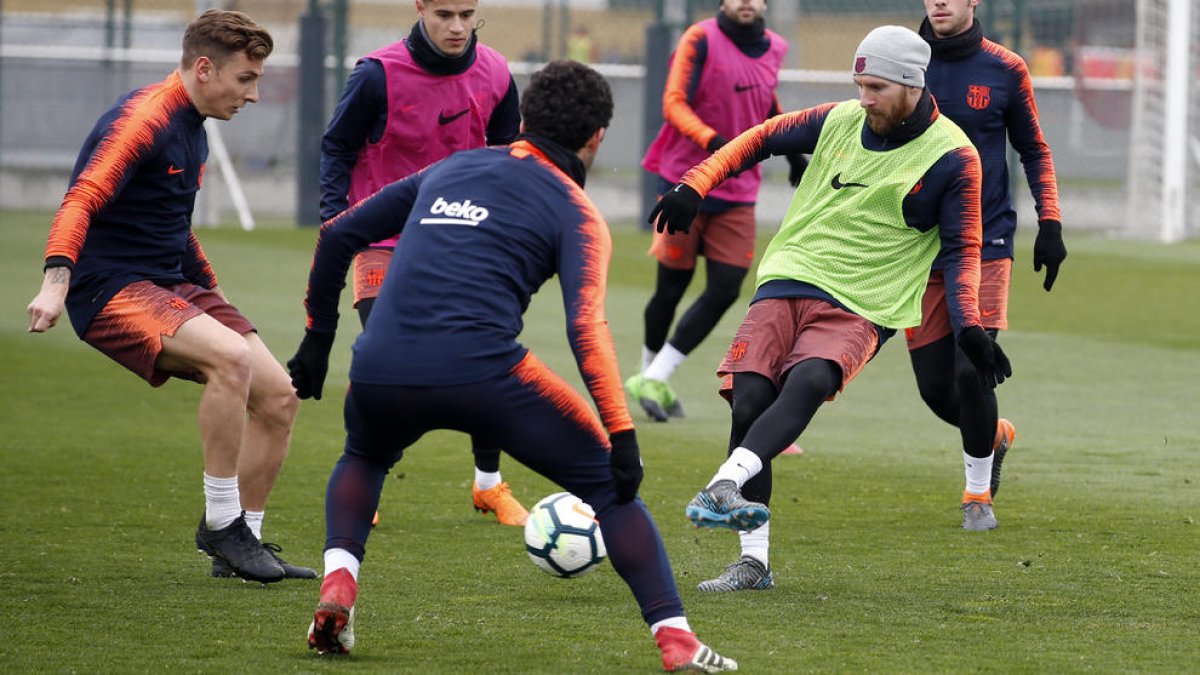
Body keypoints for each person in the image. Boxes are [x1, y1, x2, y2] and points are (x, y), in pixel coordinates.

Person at [289, 60, 737, 672]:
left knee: (364, 456)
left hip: (379, 365)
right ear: (596, 137)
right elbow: (586, 327)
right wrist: (622, 433)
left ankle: (339, 583)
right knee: (611, 491)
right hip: (484, 374)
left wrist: (318, 338)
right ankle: (677, 640)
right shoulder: (577, 212)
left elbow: (339, 234)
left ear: (523, 119)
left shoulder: (447, 168)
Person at [648, 26, 1012, 592]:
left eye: (876, 88)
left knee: (810, 379)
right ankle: (754, 563)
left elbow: (964, 249)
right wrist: (694, 185)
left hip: (867, 298)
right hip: (792, 273)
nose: (864, 99)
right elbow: (761, 137)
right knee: (748, 403)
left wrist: (969, 328)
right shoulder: (840, 118)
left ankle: (725, 481)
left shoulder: (954, 157)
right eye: (859, 84)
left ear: (913, 85)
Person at [25, 9, 313, 583]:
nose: (253, 94)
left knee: (280, 395)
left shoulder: (194, 124)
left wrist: (216, 296)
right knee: (230, 360)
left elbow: (172, 225)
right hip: (108, 288)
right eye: (246, 79)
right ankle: (221, 525)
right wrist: (54, 284)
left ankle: (243, 545)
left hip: (169, 282)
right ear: (205, 68)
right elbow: (81, 199)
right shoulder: (143, 120)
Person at [319, 0, 526, 526]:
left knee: (488, 354)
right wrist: (337, 224)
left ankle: (488, 486)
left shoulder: (498, 72)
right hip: (383, 240)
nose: (456, 26)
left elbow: (507, 154)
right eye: (443, 14)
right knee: (387, 363)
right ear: (419, 8)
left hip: (464, 239)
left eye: (465, 13)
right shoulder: (376, 74)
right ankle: (363, 482)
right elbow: (337, 147)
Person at [912, 0, 1065, 529]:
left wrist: (1051, 222)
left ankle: (977, 496)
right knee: (935, 390)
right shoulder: (904, 63)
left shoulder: (1005, 68)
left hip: (986, 240)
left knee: (971, 367)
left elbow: (1034, 149)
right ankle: (994, 435)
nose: (941, 2)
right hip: (917, 245)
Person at [626, 0, 807, 427]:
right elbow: (673, 104)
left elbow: (765, 101)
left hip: (739, 187)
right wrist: (714, 143)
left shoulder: (775, 46)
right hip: (684, 181)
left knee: (726, 287)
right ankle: (650, 373)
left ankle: (653, 376)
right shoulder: (700, 37)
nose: (746, 1)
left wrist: (792, 151)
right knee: (671, 287)